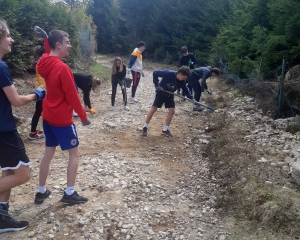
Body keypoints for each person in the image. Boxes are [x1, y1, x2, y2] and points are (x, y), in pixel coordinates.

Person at [33, 26, 90, 205]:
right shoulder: (63, 68)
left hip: (48, 116)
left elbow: (47, 54)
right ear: (58, 44)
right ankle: (69, 192)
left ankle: (41, 191)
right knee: (74, 154)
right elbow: (72, 96)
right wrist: (83, 116)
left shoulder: (43, 62)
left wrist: (45, 40)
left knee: (48, 153)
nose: (70, 46)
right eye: (67, 42)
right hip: (62, 119)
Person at [0, 20, 46, 233]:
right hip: (4, 131)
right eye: (8, 36)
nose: (12, 39)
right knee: (23, 174)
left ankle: (1, 217)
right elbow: (17, 101)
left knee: (9, 171)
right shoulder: (1, 67)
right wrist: (38, 94)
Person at [142, 66, 194, 137]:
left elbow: (185, 89)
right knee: (154, 108)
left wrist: (191, 98)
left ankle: (165, 129)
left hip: (169, 95)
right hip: (160, 93)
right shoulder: (169, 73)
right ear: (179, 74)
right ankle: (145, 127)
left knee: (172, 111)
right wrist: (156, 86)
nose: (184, 80)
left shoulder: (182, 82)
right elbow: (155, 73)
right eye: (184, 78)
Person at [28, 46, 46, 140]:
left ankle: (33, 132)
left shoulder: (40, 61)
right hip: (43, 90)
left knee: (38, 111)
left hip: (39, 89)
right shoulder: (43, 61)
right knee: (40, 111)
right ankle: (33, 133)